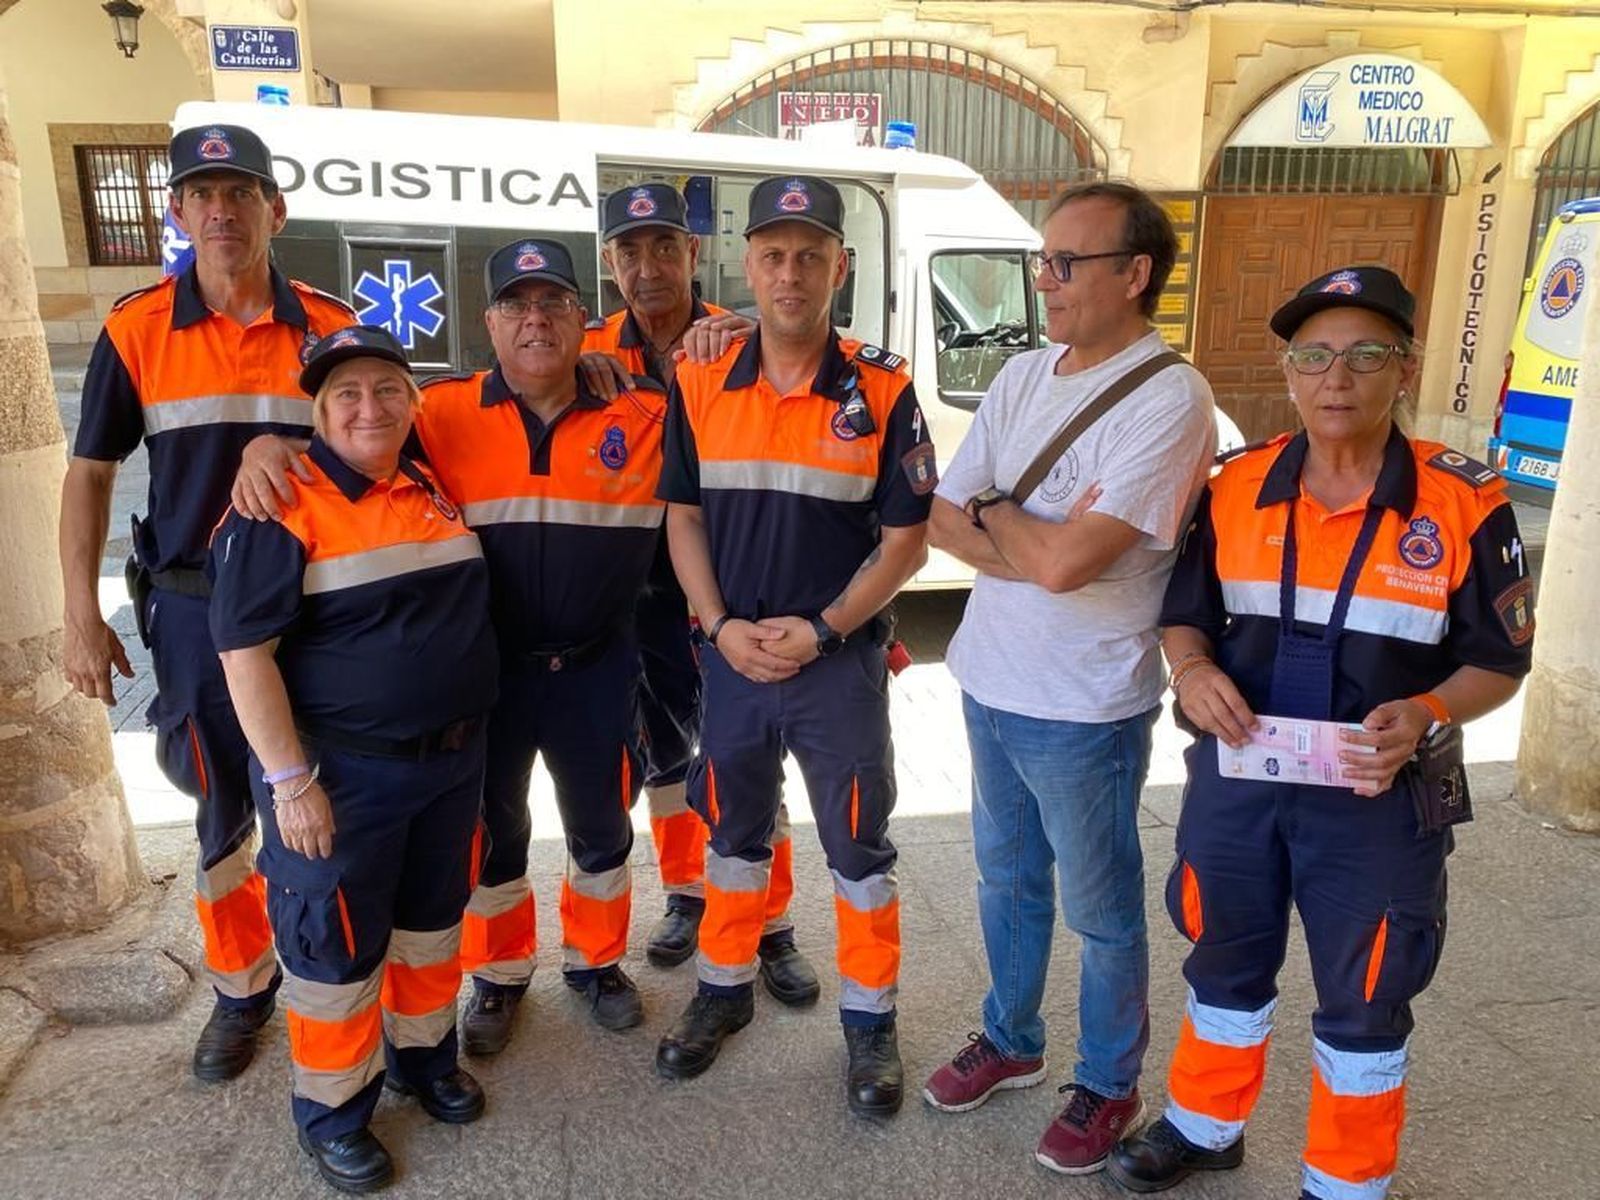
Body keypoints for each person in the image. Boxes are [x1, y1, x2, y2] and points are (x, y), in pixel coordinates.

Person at [1109, 266, 1533, 1200]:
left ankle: (1347, 1178)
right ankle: (1206, 1125)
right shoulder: (1234, 486)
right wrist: (1195, 669)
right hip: (1242, 783)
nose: (1335, 378)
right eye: (1314, 356)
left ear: (1405, 370)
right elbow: (1185, 615)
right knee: (1221, 948)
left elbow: (1500, 662)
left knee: (1371, 984)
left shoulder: (1465, 503)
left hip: (1380, 797)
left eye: (1364, 355)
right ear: (1290, 372)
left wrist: (1426, 713)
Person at [233, 238, 668, 1051]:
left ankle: (598, 962)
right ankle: (500, 977)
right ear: (490, 323)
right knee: (494, 833)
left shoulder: (643, 412)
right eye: (515, 305)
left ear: (585, 320)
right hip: (485, 677)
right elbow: (352, 432)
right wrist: (269, 445)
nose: (534, 320)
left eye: (553, 304)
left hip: (597, 668)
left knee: (602, 823)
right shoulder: (441, 411)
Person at [922, 181, 1216, 1174]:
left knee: (1098, 908)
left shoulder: (1171, 398)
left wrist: (1008, 519)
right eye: (1040, 262)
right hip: (987, 677)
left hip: (1085, 704)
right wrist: (1028, 530)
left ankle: (1107, 1081)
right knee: (1005, 882)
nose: (1042, 282)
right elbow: (940, 514)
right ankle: (1010, 1040)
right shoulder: (1022, 376)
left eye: (1063, 264)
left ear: (1134, 275)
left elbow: (1058, 565)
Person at [59, 123, 354, 1082]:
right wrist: (78, 612)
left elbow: (376, 442)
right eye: (201, 194)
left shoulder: (325, 321)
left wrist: (292, 450)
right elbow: (91, 473)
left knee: (320, 796)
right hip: (193, 611)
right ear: (178, 212)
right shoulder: (136, 329)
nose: (221, 210)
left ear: (276, 209)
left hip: (320, 610)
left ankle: (331, 975)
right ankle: (240, 990)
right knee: (221, 805)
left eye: (240, 192)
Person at [654, 175, 936, 1117]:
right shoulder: (697, 380)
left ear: (840, 268)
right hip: (732, 657)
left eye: (811, 255)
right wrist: (719, 625)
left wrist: (821, 630)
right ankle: (723, 989)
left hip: (838, 664)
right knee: (731, 834)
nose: (790, 272)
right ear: (746, 265)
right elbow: (682, 519)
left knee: (859, 846)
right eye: (773, 254)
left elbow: (907, 540)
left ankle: (870, 1022)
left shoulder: (885, 387)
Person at [210, 326, 497, 1193]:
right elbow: (243, 654)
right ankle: (334, 1112)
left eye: (384, 389)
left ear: (414, 403)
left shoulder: (426, 483)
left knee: (429, 926)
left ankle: (422, 1059)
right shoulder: (278, 504)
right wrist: (289, 782)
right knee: (331, 949)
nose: (367, 407)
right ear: (317, 414)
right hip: (342, 778)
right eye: (345, 395)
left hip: (449, 766)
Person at [582, 182, 817, 1002]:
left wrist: (760, 340)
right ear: (609, 263)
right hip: (632, 594)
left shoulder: (740, 337)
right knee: (664, 758)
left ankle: (774, 922)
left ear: (692, 254)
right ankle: (688, 892)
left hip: (730, 584)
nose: (647, 267)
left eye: (662, 248)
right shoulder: (585, 352)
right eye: (628, 250)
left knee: (752, 759)